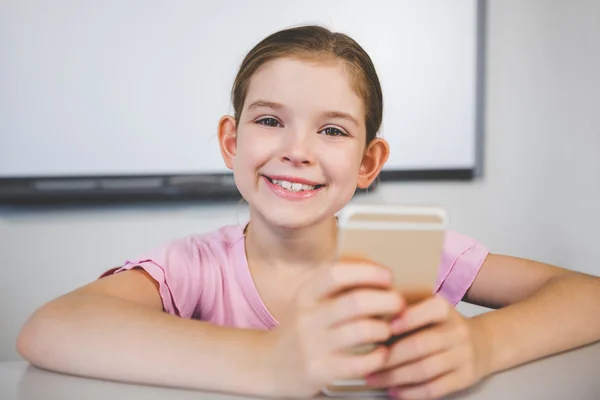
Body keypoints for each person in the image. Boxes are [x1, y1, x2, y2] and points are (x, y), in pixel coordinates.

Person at [17, 25, 600, 400]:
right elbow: (50, 329)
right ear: (232, 142)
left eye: (331, 129)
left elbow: (588, 296)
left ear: (369, 162)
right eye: (270, 120)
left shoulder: (416, 261)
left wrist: (482, 347)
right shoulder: (194, 268)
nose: (297, 150)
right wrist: (272, 363)